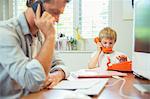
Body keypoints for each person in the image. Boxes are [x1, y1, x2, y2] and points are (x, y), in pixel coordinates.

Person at [0, 0, 70, 98]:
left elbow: (60, 64)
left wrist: (57, 75)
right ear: (36, 5)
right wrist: (50, 36)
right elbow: (32, 82)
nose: (57, 20)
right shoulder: (5, 33)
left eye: (60, 14)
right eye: (54, 12)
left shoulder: (41, 34)